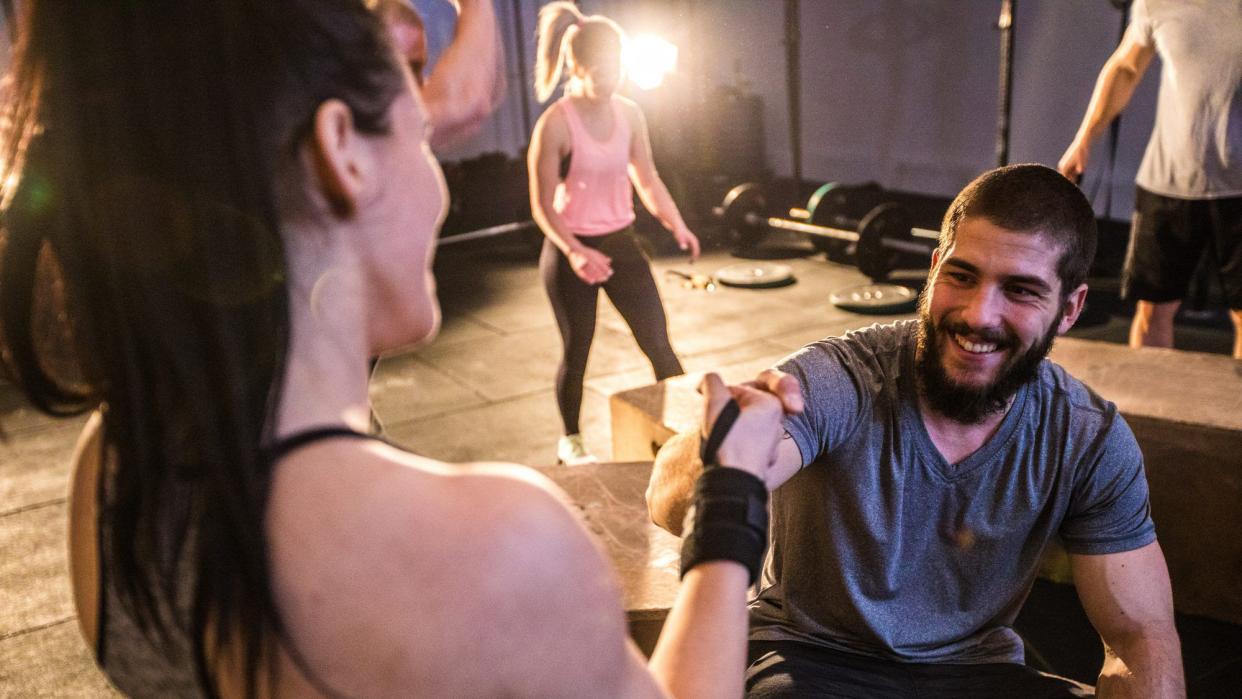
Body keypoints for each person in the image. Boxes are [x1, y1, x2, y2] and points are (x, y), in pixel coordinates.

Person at [0, 1, 788, 696]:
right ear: (343, 151)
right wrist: (730, 504)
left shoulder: (108, 481)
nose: (440, 185)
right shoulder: (501, 545)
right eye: (420, 136)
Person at [647, 165, 1186, 697]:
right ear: (933, 270)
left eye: (1020, 291)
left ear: (1069, 309)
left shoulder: (1086, 437)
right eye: (962, 276)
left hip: (977, 674)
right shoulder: (843, 380)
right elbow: (667, 500)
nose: (979, 314)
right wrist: (729, 450)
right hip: (813, 662)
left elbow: (1140, 637)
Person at [528, 2, 701, 466]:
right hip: (571, 251)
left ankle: (691, 438)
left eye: (618, 68)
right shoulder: (556, 124)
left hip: (621, 245)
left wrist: (677, 224)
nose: (612, 78)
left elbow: (647, 178)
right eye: (602, 70)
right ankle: (571, 440)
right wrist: (575, 250)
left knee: (659, 345)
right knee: (577, 351)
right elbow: (542, 206)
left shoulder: (629, 114)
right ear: (577, 67)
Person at [1057, 0, 1242, 359]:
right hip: (1168, 182)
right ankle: (1145, 416)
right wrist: (1084, 139)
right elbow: (1126, 67)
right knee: (1153, 308)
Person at [375, 0, 503, 150]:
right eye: (401, 67)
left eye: (417, 69)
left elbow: (486, 91)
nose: (418, 83)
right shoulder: (361, 131)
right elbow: (465, 100)